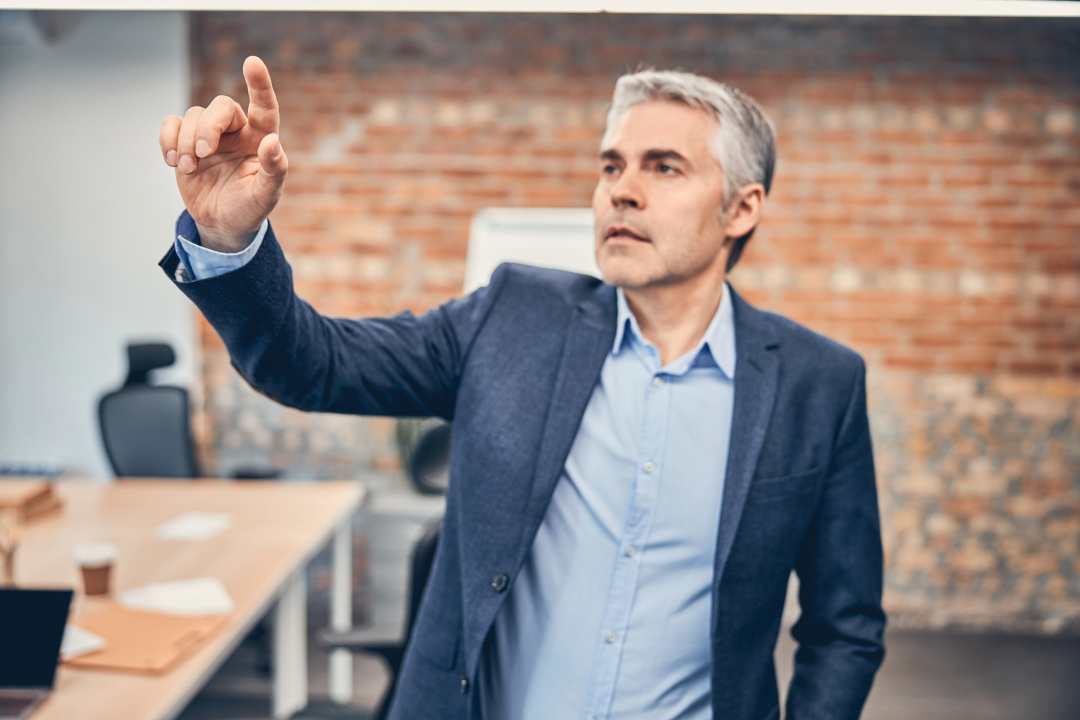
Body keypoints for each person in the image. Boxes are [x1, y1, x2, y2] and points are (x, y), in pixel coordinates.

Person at [158, 56, 885, 720]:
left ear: (742, 208)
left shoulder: (816, 385)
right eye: (611, 166)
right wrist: (227, 242)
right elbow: (308, 363)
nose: (621, 192)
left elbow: (845, 625)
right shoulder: (512, 318)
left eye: (664, 168)